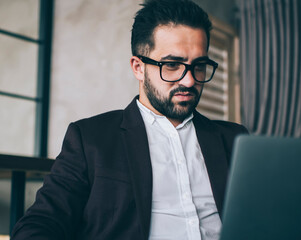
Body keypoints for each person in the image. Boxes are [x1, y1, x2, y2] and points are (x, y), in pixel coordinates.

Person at [11, 0, 248, 239]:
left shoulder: (235, 140)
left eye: (199, 66)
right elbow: (40, 224)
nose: (188, 81)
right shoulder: (90, 139)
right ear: (138, 67)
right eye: (173, 65)